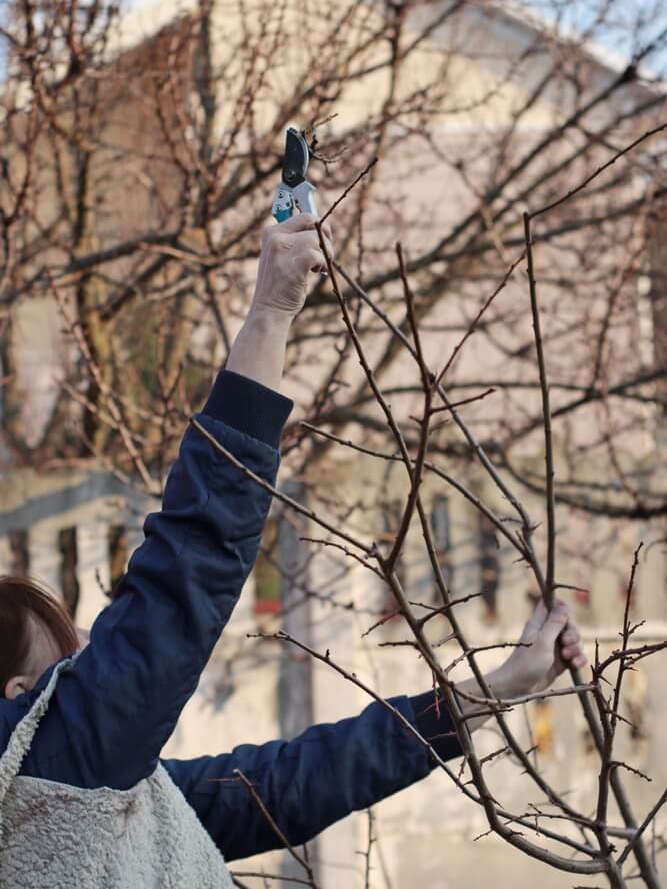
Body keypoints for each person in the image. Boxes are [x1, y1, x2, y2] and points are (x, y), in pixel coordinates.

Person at [0, 215, 587, 887]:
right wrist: (271, 312)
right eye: (69, 665)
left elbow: (290, 786)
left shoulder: (108, 801)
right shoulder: (59, 764)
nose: (91, 662)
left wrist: (494, 690)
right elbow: (193, 557)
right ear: (18, 699)